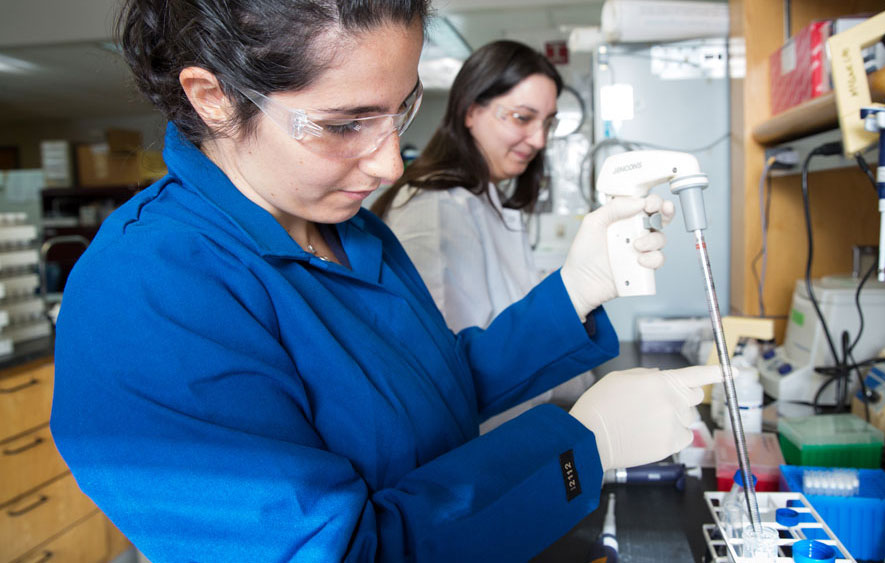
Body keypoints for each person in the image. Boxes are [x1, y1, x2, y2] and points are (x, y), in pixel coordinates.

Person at [49, 1, 720, 562]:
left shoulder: (349, 226)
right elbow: (344, 552)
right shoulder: (145, 292)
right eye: (346, 124)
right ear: (214, 98)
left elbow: (436, 389)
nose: (390, 165)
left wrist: (575, 290)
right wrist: (581, 448)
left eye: (401, 109)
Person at [372, 40, 592, 431]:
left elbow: (512, 331)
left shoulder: (484, 198)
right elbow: (454, 368)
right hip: (479, 439)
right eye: (522, 118)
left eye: (547, 122)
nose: (540, 140)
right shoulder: (435, 207)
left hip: (517, 424)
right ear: (471, 111)